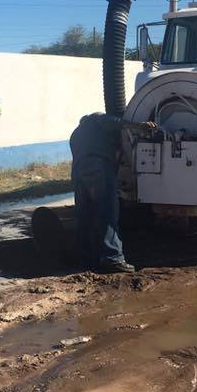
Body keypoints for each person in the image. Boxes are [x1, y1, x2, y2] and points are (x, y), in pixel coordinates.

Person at [69, 113, 156, 273]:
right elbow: (113, 122)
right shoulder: (96, 118)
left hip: (78, 173)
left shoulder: (75, 134)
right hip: (98, 167)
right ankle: (113, 258)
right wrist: (138, 126)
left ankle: (87, 259)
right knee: (107, 212)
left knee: (85, 215)